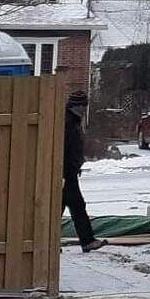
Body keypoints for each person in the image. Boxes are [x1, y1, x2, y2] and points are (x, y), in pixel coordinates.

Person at [63, 90, 104, 251]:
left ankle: (48, 241)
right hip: (67, 173)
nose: (84, 109)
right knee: (78, 206)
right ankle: (87, 241)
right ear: (78, 106)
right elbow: (65, 148)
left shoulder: (73, 120)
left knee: (62, 207)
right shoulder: (69, 123)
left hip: (68, 172)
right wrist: (69, 169)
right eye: (83, 106)